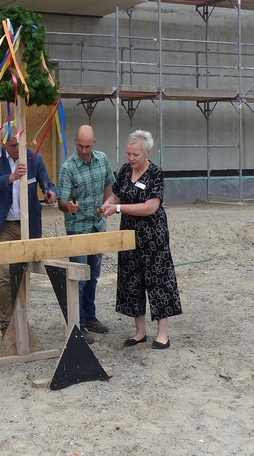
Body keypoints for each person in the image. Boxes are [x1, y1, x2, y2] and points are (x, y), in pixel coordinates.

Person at [101, 130, 182, 349]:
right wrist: (109, 203)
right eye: (128, 154)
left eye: (135, 154)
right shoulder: (126, 170)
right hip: (129, 234)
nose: (131, 158)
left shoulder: (156, 173)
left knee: (158, 281)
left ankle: (162, 334)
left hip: (153, 237)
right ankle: (139, 332)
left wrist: (117, 208)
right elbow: (116, 193)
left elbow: (150, 207)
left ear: (146, 152)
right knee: (132, 281)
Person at [0, 120, 57, 336]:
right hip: (5, 224)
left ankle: (21, 322)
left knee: (23, 275)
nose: (16, 149)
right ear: (4, 144)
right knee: (5, 276)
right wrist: (12, 176)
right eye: (11, 145)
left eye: (18, 145)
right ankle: (6, 327)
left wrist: (50, 192)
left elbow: (46, 182)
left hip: (28, 224)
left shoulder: (35, 158)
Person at [56, 125, 114, 344]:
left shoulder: (103, 160)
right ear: (75, 142)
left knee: (93, 276)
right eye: (80, 146)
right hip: (78, 228)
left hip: (97, 226)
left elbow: (109, 182)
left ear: (95, 143)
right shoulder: (68, 168)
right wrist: (67, 206)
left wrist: (108, 204)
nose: (83, 150)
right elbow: (61, 201)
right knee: (78, 278)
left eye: (87, 146)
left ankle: (90, 316)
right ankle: (77, 323)